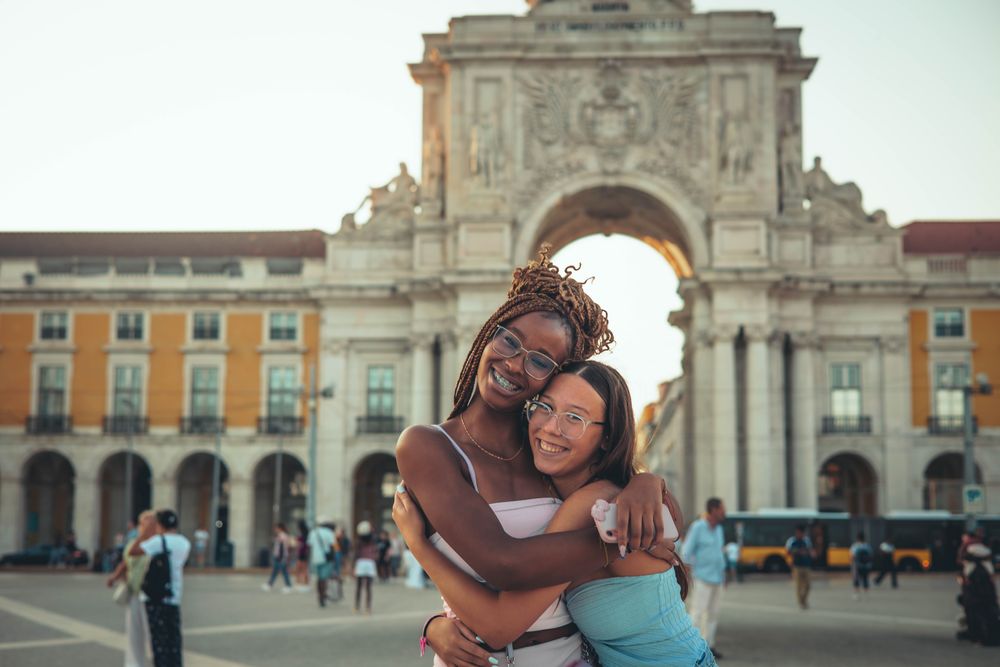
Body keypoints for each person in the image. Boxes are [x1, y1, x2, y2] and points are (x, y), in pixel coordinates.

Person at [395, 248, 673, 666]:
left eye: (540, 361)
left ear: (553, 380)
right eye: (510, 340)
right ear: (490, 333)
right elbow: (503, 564)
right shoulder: (427, 446)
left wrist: (647, 483)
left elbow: (668, 517)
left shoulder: (547, 453)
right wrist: (621, 540)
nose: (514, 363)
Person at [395, 360, 713, 667]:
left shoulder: (590, 504)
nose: (550, 427)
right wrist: (435, 624)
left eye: (574, 418)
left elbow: (498, 624)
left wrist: (420, 546)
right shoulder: (574, 494)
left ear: (606, 439)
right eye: (545, 408)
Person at [127, 509, 191, 667]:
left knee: (159, 643)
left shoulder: (158, 541)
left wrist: (146, 533)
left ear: (159, 524)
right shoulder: (184, 542)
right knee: (173, 642)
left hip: (155, 597)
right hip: (174, 596)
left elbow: (133, 551)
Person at [107, 510, 154, 667]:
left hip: (151, 595)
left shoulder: (156, 543)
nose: (145, 527)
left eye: (150, 523)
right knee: (134, 634)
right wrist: (115, 577)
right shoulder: (133, 542)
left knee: (152, 635)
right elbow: (126, 561)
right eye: (143, 523)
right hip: (134, 593)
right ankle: (133, 664)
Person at [682, 498, 727, 659]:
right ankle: (693, 648)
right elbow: (686, 550)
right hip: (701, 578)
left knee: (713, 614)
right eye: (722, 509)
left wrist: (724, 575)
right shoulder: (698, 527)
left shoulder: (719, 530)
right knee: (698, 613)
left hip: (717, 578)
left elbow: (719, 554)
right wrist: (686, 571)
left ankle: (709, 646)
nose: (724, 512)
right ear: (713, 510)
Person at [307, 518, 337, 608]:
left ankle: (320, 596)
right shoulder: (329, 533)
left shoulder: (313, 532)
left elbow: (309, 546)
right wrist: (333, 558)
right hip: (326, 558)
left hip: (315, 558)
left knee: (319, 578)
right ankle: (323, 596)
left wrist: (309, 558)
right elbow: (332, 547)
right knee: (324, 578)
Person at [785, 524, 814, 610]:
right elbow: (788, 552)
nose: (799, 534)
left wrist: (811, 553)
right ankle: (801, 603)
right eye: (798, 533)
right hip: (797, 566)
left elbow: (810, 550)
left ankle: (803, 600)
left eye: (801, 533)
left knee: (808, 585)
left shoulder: (806, 541)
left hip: (807, 566)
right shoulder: (792, 541)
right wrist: (798, 552)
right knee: (798, 585)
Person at [354, 521, 378, 614]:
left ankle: (357, 606)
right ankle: (368, 608)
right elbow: (375, 551)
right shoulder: (373, 540)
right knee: (368, 587)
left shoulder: (359, 541)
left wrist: (353, 566)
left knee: (359, 586)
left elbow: (356, 554)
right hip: (370, 563)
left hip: (361, 562)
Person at [261, 523, 293, 593]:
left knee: (284, 572)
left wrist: (280, 557)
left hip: (280, 557)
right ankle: (269, 584)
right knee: (275, 571)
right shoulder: (282, 535)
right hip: (279, 556)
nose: (275, 530)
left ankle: (288, 585)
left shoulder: (282, 536)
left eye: (276, 528)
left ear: (280, 528)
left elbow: (282, 547)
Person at [850, 531, 874, 601]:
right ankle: (866, 594)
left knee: (856, 580)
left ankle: (856, 594)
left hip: (857, 565)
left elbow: (852, 556)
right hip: (866, 565)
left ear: (857, 538)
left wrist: (852, 564)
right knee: (865, 579)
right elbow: (871, 556)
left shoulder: (855, 546)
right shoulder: (867, 546)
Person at [294, 520, 311, 591]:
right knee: (304, 569)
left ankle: (300, 582)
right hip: (305, 553)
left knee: (299, 568)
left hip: (301, 553)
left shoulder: (302, 534)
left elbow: (299, 543)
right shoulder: (307, 533)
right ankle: (305, 582)